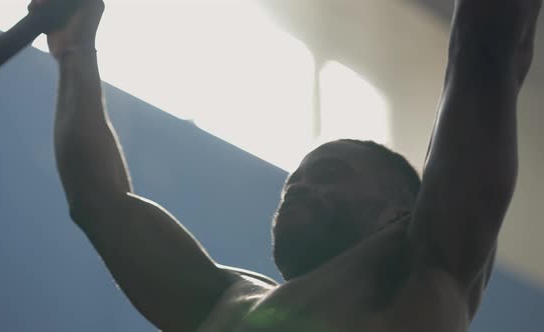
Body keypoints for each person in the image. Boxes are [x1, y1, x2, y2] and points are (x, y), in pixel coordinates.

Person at [34, 0, 542, 330]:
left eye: (331, 177)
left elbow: (484, 53)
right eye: (294, 182)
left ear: (397, 214)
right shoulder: (224, 305)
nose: (298, 189)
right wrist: (76, 49)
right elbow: (100, 201)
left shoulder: (430, 266)